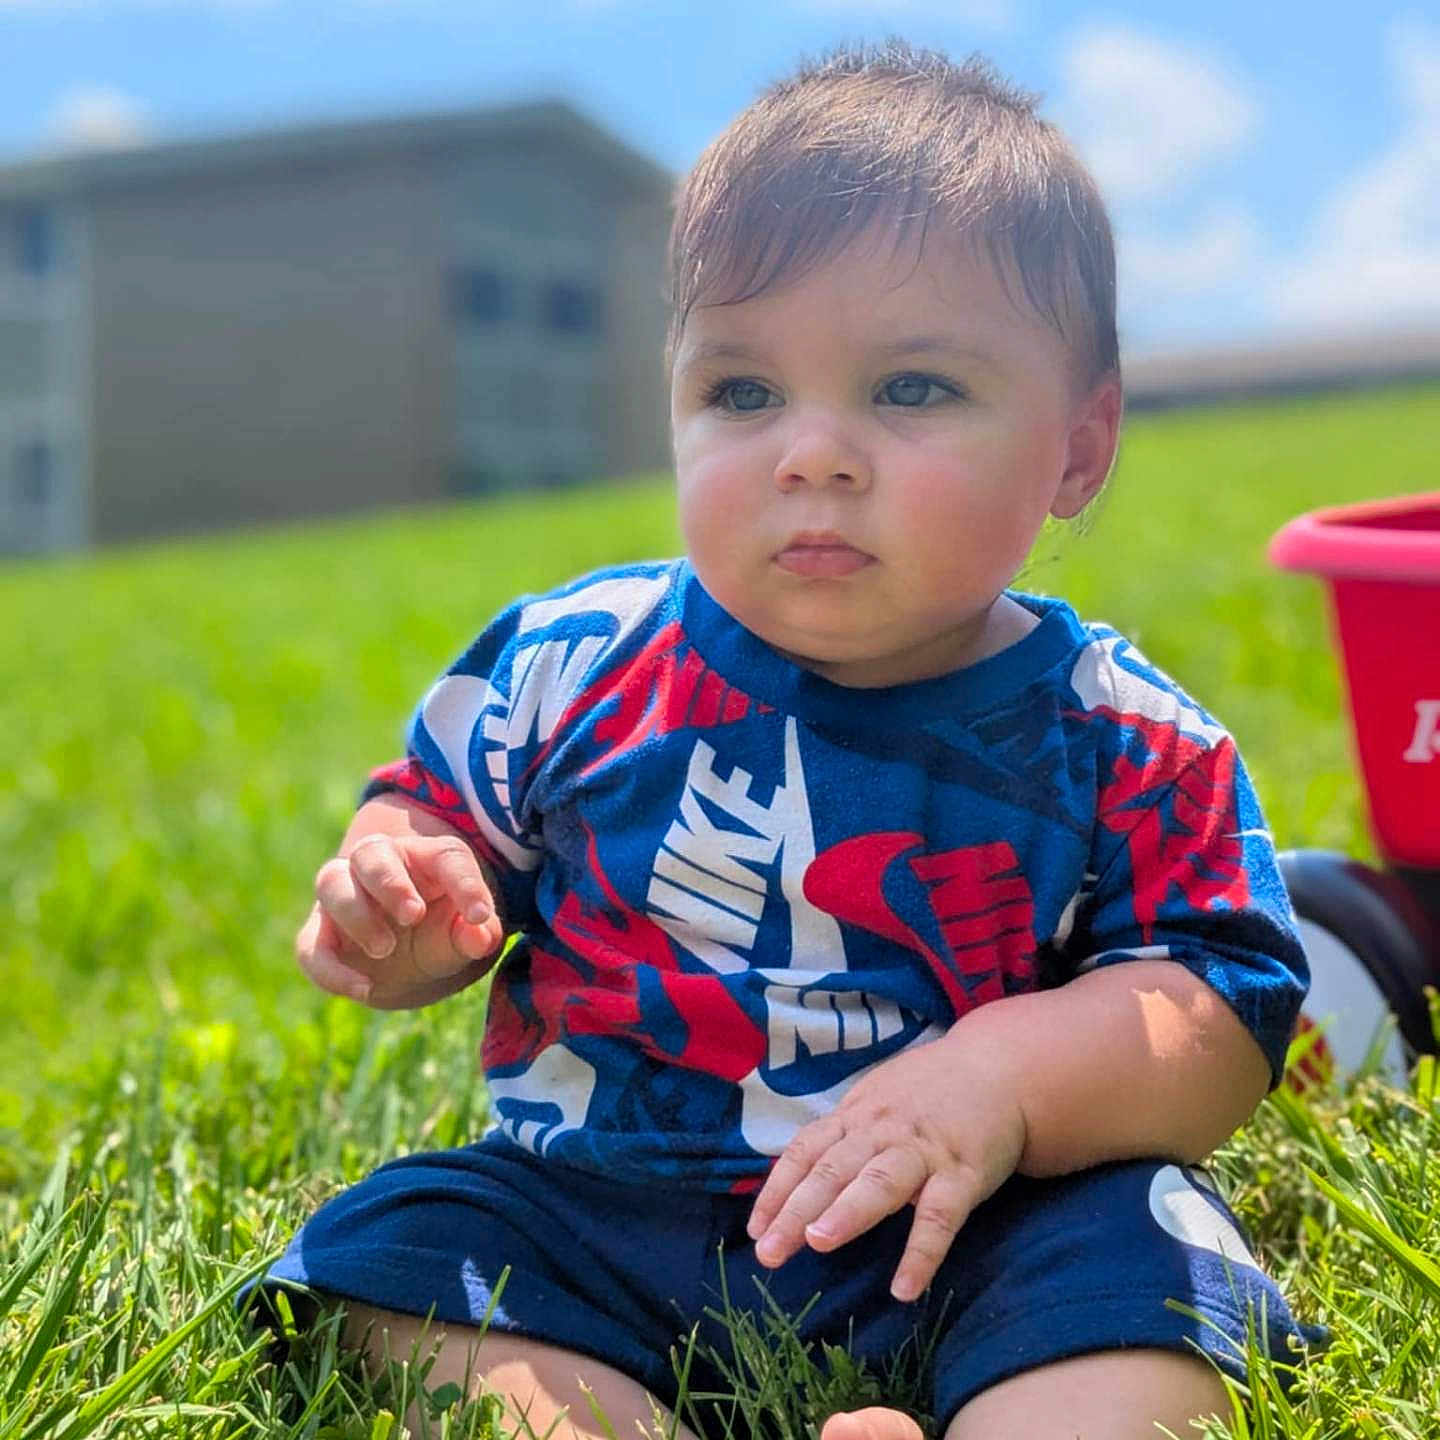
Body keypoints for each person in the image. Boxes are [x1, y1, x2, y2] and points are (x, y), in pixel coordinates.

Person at [267, 41, 1314, 1440]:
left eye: (912, 389)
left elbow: (1221, 1005)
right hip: (606, 1205)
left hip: (976, 1217)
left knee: (1156, 1257)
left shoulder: (1128, 740)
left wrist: (1001, 1081)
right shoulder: (573, 663)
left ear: (1075, 449)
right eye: (744, 394)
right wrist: (403, 896)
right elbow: (433, 817)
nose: (810, 455)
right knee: (397, 1245)